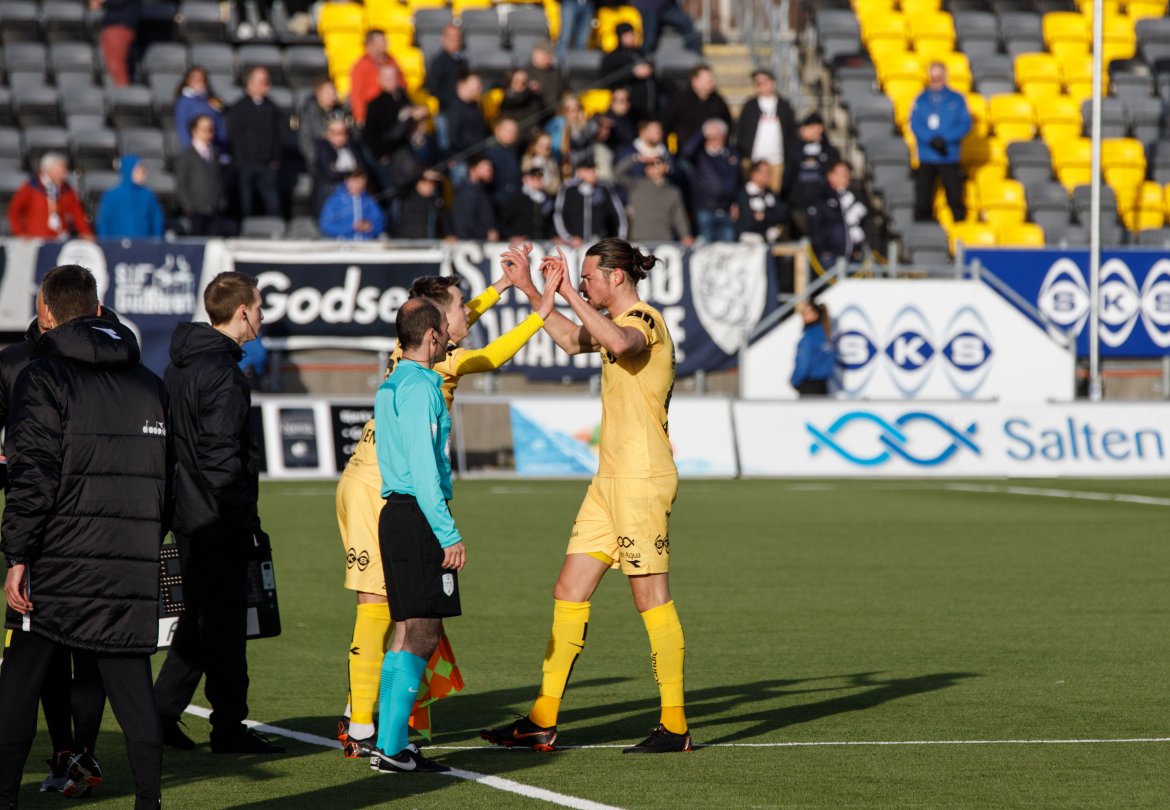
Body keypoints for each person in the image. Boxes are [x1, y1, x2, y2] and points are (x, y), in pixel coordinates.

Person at [335, 264, 561, 758]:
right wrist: (539, 314)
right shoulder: (440, 366)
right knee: (381, 609)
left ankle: (369, 720)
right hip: (386, 486)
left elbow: (461, 315)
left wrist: (500, 288)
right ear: (437, 325)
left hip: (371, 476)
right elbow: (493, 355)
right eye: (461, 308)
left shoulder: (409, 348)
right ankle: (360, 724)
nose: (470, 315)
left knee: (392, 613)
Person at [482, 238, 691, 754]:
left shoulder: (645, 320)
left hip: (641, 479)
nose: (582, 285)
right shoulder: (609, 322)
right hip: (609, 481)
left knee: (650, 598)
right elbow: (570, 339)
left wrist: (568, 296)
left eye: (588, 277)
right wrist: (531, 288)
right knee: (568, 590)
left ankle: (675, 726)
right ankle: (542, 719)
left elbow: (619, 342)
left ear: (616, 276)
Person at [0, 264, 169, 809]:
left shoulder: (41, 377)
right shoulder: (150, 382)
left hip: (56, 562)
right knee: (133, 688)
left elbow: (33, 476)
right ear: (98, 310)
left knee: (19, 684)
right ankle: (149, 801)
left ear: (46, 315)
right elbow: (169, 481)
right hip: (127, 563)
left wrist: (17, 554)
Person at [153, 271, 284, 755]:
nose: (263, 316)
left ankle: (165, 715)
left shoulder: (179, 366)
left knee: (204, 621)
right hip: (215, 518)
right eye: (260, 307)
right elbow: (221, 457)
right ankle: (225, 727)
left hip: (188, 513)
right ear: (242, 312)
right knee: (223, 626)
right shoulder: (224, 374)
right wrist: (244, 521)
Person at [364, 300, 459, 775]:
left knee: (404, 629)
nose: (450, 338)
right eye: (445, 329)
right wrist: (448, 532)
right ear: (432, 336)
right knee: (424, 631)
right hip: (418, 515)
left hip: (395, 515)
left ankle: (389, 745)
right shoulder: (421, 386)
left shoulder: (392, 382)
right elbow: (424, 468)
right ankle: (393, 746)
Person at [911, 62, 971, 223]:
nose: (935, 80)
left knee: (955, 198)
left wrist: (946, 139)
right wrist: (930, 139)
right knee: (923, 199)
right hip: (927, 156)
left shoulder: (957, 99)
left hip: (949, 156)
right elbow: (916, 124)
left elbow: (964, 124)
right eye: (933, 77)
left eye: (938, 77)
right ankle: (923, 230)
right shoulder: (921, 99)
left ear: (945, 77)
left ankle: (960, 230)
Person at [226, 66, 284, 219]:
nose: (266, 86)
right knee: (246, 203)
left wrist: (275, 159)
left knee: (273, 203)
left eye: (267, 82)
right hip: (245, 164)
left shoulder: (271, 107)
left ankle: (275, 228)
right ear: (250, 84)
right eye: (262, 82)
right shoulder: (239, 108)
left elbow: (277, 135)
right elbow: (235, 136)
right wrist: (240, 161)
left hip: (267, 164)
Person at [735, 69, 798, 195]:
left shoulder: (784, 106)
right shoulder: (750, 106)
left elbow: (791, 133)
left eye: (764, 81)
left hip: (777, 161)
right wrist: (744, 154)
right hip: (754, 160)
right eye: (757, 82)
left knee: (774, 195)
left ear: (773, 83)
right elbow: (741, 132)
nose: (760, 85)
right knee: (752, 194)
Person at [7, 153, 94, 240]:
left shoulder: (67, 189)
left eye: (63, 169)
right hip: (35, 237)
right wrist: (19, 232)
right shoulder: (31, 187)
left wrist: (86, 232)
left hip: (60, 237)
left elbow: (77, 213)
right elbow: (14, 210)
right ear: (47, 170)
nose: (63, 173)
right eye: (59, 169)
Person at [682, 118, 741, 243]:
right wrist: (701, 133)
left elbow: (737, 182)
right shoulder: (699, 155)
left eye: (719, 135)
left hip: (726, 210)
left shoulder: (732, 156)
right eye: (712, 136)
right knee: (705, 248)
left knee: (728, 248)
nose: (715, 139)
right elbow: (686, 152)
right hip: (705, 209)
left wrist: (736, 202)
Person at [616, 153, 692, 244]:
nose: (653, 167)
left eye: (657, 163)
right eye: (649, 165)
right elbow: (617, 173)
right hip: (638, 240)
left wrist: (685, 235)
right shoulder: (636, 185)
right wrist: (636, 158)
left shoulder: (673, 192)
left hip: (663, 240)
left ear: (666, 167)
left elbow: (679, 218)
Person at [175, 115, 230, 236]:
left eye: (211, 129)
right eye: (205, 129)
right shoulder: (186, 155)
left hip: (215, 209)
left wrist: (221, 202)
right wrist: (188, 207)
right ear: (194, 131)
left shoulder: (215, 152)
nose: (209, 132)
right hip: (196, 211)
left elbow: (220, 178)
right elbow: (181, 183)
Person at [554, 155, 628, 245]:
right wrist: (568, 238)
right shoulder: (569, 189)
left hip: (599, 243)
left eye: (594, 170)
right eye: (589, 170)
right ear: (579, 172)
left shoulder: (604, 189)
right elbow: (559, 215)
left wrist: (620, 239)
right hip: (573, 245)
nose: (594, 173)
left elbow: (618, 214)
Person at [807, 160, 868, 266]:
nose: (846, 176)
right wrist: (823, 251)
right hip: (831, 256)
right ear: (830, 176)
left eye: (847, 173)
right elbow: (814, 226)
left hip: (853, 256)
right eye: (842, 173)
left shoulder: (853, 197)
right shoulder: (822, 198)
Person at [664, 64, 732, 154]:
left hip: (711, 153)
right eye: (708, 80)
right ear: (695, 81)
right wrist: (673, 150)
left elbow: (727, 123)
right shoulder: (681, 100)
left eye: (712, 79)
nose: (712, 83)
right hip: (685, 152)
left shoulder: (718, 101)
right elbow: (668, 127)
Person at [96, 155, 165, 239]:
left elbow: (156, 219)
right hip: (116, 244)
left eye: (143, 172)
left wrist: (155, 240)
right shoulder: (111, 195)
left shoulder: (148, 195)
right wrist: (105, 242)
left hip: (143, 243)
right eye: (138, 172)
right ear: (128, 171)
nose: (142, 175)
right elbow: (103, 221)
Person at [788, 113, 841, 214]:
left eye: (809, 127)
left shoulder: (830, 152)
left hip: (823, 205)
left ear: (819, 129)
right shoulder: (795, 149)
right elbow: (790, 175)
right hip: (799, 204)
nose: (803, 130)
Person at [601, 23, 657, 118]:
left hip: (649, 107)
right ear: (620, 37)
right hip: (629, 111)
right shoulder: (611, 58)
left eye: (632, 34)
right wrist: (632, 74)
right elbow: (606, 80)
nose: (632, 38)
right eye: (627, 35)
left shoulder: (641, 54)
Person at [313, 119, 368, 212]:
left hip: (355, 195)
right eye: (336, 133)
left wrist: (339, 170)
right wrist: (352, 172)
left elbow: (362, 169)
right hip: (331, 193)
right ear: (328, 134)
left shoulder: (353, 147)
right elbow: (330, 174)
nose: (342, 136)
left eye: (344, 132)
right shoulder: (323, 148)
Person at [350, 30, 400, 126]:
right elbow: (357, 94)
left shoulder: (392, 61)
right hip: (373, 114)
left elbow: (402, 84)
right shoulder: (361, 65)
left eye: (385, 41)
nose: (385, 44)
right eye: (381, 41)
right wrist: (360, 117)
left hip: (393, 111)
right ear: (370, 44)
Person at [319, 170, 384, 241]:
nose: (358, 185)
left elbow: (380, 223)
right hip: (341, 243)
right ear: (347, 181)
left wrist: (369, 227)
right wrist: (351, 227)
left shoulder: (369, 201)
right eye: (355, 181)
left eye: (361, 182)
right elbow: (326, 225)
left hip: (365, 243)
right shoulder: (335, 200)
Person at [174, 67, 228, 152]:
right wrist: (189, 151)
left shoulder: (212, 99)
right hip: (195, 149)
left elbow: (220, 124)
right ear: (188, 81)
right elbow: (182, 129)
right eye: (194, 78)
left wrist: (223, 149)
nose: (198, 81)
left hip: (214, 148)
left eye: (201, 78)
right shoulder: (183, 102)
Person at [297, 77, 346, 165]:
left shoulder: (341, 112)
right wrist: (319, 161)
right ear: (318, 94)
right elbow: (305, 141)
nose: (332, 95)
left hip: (343, 161)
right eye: (328, 92)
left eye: (333, 91)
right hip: (321, 163)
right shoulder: (309, 114)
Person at [736, 160, 787, 243]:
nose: (769, 175)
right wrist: (770, 219)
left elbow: (782, 214)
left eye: (770, 172)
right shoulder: (744, 194)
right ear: (754, 174)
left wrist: (764, 215)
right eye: (766, 172)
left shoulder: (769, 193)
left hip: (770, 238)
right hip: (750, 240)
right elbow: (749, 221)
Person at [501, 166, 557, 241]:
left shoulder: (547, 200)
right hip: (521, 244)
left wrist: (553, 236)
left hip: (542, 243)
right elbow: (503, 222)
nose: (538, 180)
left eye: (540, 177)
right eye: (534, 177)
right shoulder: (517, 199)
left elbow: (551, 224)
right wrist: (511, 236)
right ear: (525, 179)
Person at [393, 171, 453, 240]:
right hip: (404, 241)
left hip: (425, 242)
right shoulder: (406, 195)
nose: (431, 187)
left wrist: (449, 234)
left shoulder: (435, 202)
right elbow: (401, 182)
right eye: (427, 183)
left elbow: (444, 219)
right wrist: (422, 174)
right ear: (419, 184)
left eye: (433, 184)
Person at [791, 300, 834, 396]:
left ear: (815, 315)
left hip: (809, 386)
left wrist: (795, 381)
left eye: (806, 313)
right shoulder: (826, 336)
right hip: (823, 386)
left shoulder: (809, 338)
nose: (803, 316)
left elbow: (803, 364)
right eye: (802, 313)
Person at [92, 0, 139, 86]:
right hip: (113, 25)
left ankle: (123, 93)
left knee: (116, 66)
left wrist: (101, 2)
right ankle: (118, 91)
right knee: (110, 66)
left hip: (120, 25)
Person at [452, 156, 499, 241]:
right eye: (486, 167)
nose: (490, 171)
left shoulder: (482, 190)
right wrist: (486, 233)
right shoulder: (467, 193)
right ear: (473, 169)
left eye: (491, 167)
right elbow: (463, 225)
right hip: (473, 244)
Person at [424, 24, 466, 113]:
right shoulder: (438, 62)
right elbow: (432, 89)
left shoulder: (464, 62)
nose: (455, 41)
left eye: (457, 38)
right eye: (451, 39)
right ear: (444, 39)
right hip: (445, 109)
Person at [635, 0, 700, 54]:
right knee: (649, 40)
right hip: (648, 7)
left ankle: (694, 55)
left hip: (666, 7)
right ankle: (645, 59)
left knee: (686, 22)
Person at [486, 117, 523, 209]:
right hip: (499, 202)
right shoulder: (491, 153)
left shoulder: (514, 152)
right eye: (508, 130)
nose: (512, 134)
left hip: (514, 200)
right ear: (497, 131)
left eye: (515, 131)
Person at [525, 42, 564, 123]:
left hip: (554, 115)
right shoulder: (524, 73)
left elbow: (564, 92)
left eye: (550, 55)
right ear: (535, 53)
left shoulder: (556, 72)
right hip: (533, 117)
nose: (549, 58)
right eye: (545, 54)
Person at [499, 69, 544, 134]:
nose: (520, 85)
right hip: (514, 135)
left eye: (524, 83)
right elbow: (518, 100)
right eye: (516, 82)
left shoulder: (534, 98)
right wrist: (529, 90)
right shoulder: (506, 97)